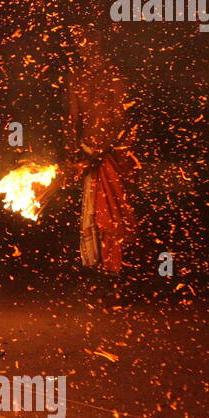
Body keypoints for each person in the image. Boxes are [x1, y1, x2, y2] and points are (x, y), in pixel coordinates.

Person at [63, 32, 137, 274]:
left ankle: (117, 271)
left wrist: (104, 151)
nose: (87, 49)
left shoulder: (114, 77)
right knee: (93, 216)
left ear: (103, 45)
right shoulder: (76, 78)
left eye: (92, 43)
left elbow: (122, 119)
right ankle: (99, 271)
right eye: (82, 45)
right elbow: (72, 120)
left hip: (112, 157)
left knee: (113, 216)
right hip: (88, 155)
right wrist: (73, 155)